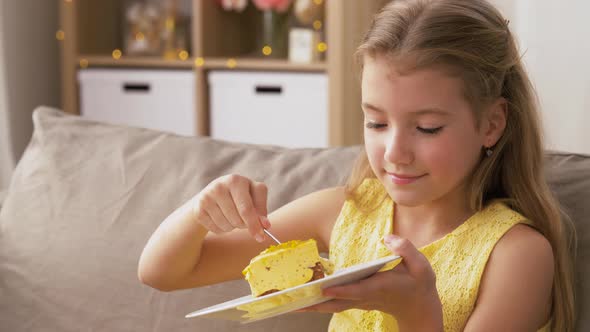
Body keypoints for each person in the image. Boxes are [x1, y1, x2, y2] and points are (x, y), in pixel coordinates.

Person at [138, 0, 575, 330]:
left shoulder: (515, 254)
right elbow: (161, 273)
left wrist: (416, 311)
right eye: (376, 122)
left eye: (426, 128)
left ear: (492, 124)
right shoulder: (344, 213)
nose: (394, 152)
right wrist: (200, 212)